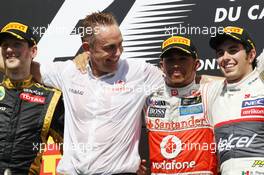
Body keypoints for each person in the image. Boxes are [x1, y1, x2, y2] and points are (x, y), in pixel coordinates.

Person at [33, 12, 164, 174]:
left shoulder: (139, 72)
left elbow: (183, 80)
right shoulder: (70, 71)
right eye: (109, 48)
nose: (118, 52)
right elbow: (20, 68)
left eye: (120, 44)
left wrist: (204, 82)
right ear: (88, 48)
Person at [142, 35, 217, 174]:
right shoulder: (148, 99)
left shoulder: (208, 92)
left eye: (182, 59)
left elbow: (244, 79)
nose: (176, 64)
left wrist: (205, 78)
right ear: (161, 66)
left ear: (196, 64)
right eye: (170, 60)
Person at [0, 21, 64, 174]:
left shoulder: (51, 99)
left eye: (16, 44)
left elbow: (72, 150)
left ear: (33, 51)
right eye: (5, 45)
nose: (9, 49)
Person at [208, 26, 264, 174]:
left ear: (251, 55)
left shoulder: (262, 84)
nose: (225, 57)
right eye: (220, 53)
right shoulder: (212, 94)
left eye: (233, 50)